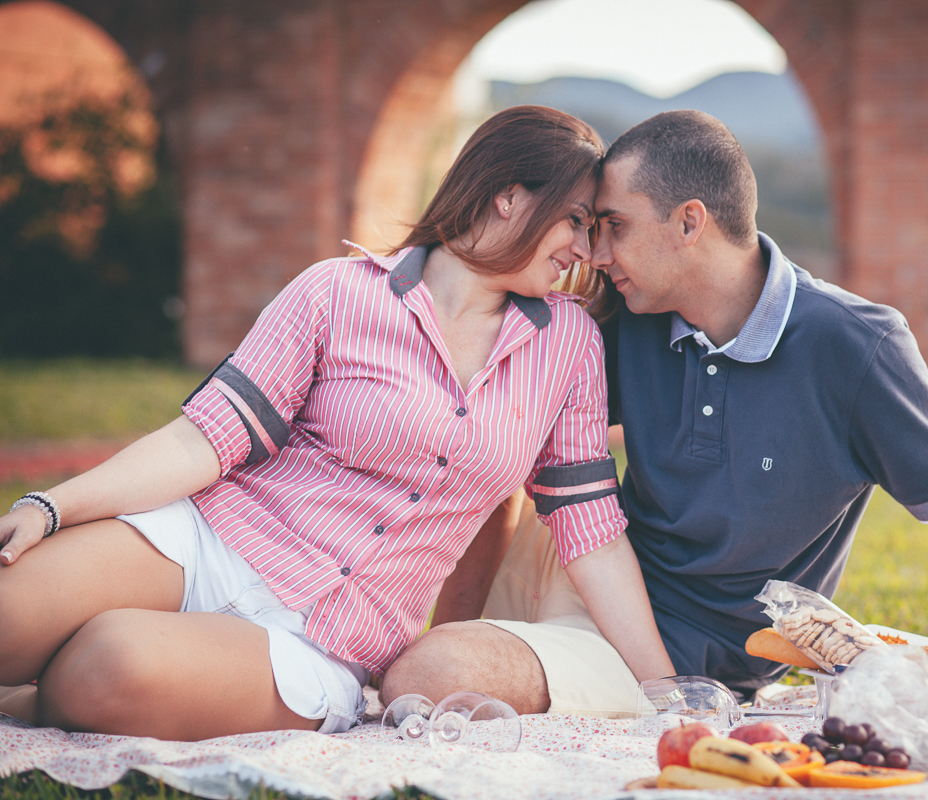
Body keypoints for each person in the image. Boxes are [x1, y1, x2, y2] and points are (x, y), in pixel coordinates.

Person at [0, 105, 674, 740]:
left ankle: (34, 699)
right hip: (212, 542)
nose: (586, 249)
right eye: (577, 222)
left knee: (105, 667)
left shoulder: (570, 345)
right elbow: (205, 436)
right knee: (9, 610)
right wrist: (50, 506)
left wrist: (667, 693)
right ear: (508, 195)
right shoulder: (335, 291)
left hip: (321, 644)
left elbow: (592, 534)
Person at [381, 109, 928, 713]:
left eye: (615, 226)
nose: (598, 255)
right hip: (577, 565)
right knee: (405, 660)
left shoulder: (856, 347)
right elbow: (508, 461)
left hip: (671, 650)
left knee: (426, 677)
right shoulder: (629, 318)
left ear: (689, 223)